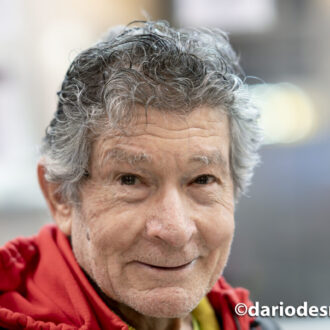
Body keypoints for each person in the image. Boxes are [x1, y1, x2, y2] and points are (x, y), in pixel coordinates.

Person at [0, 21, 276, 330]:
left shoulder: (242, 321)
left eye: (202, 179)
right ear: (62, 197)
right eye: (130, 179)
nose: (175, 231)